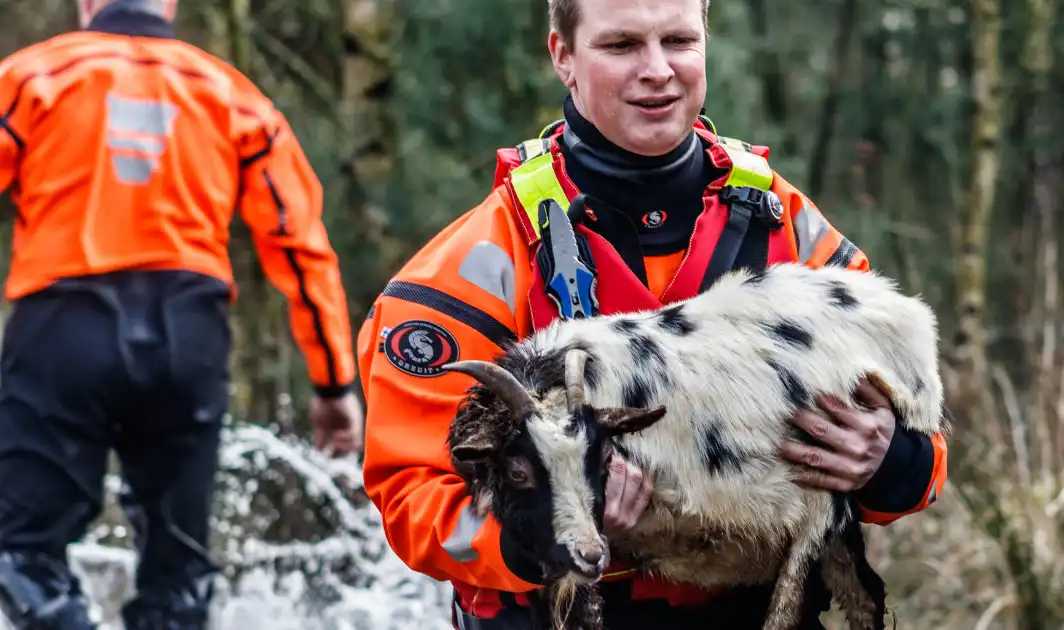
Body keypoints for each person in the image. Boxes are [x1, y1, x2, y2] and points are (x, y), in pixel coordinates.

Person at [358, 0, 950, 627]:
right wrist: (555, 521)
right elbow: (409, 497)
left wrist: (887, 460)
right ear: (563, 56)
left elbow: (923, 448)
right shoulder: (479, 266)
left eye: (678, 41)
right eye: (621, 46)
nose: (658, 70)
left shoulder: (790, 232)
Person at [0, 1, 365, 628]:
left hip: (63, 330)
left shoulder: (32, 78)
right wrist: (334, 384)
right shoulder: (234, 96)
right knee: (179, 581)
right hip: (188, 338)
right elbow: (302, 248)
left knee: (22, 556)